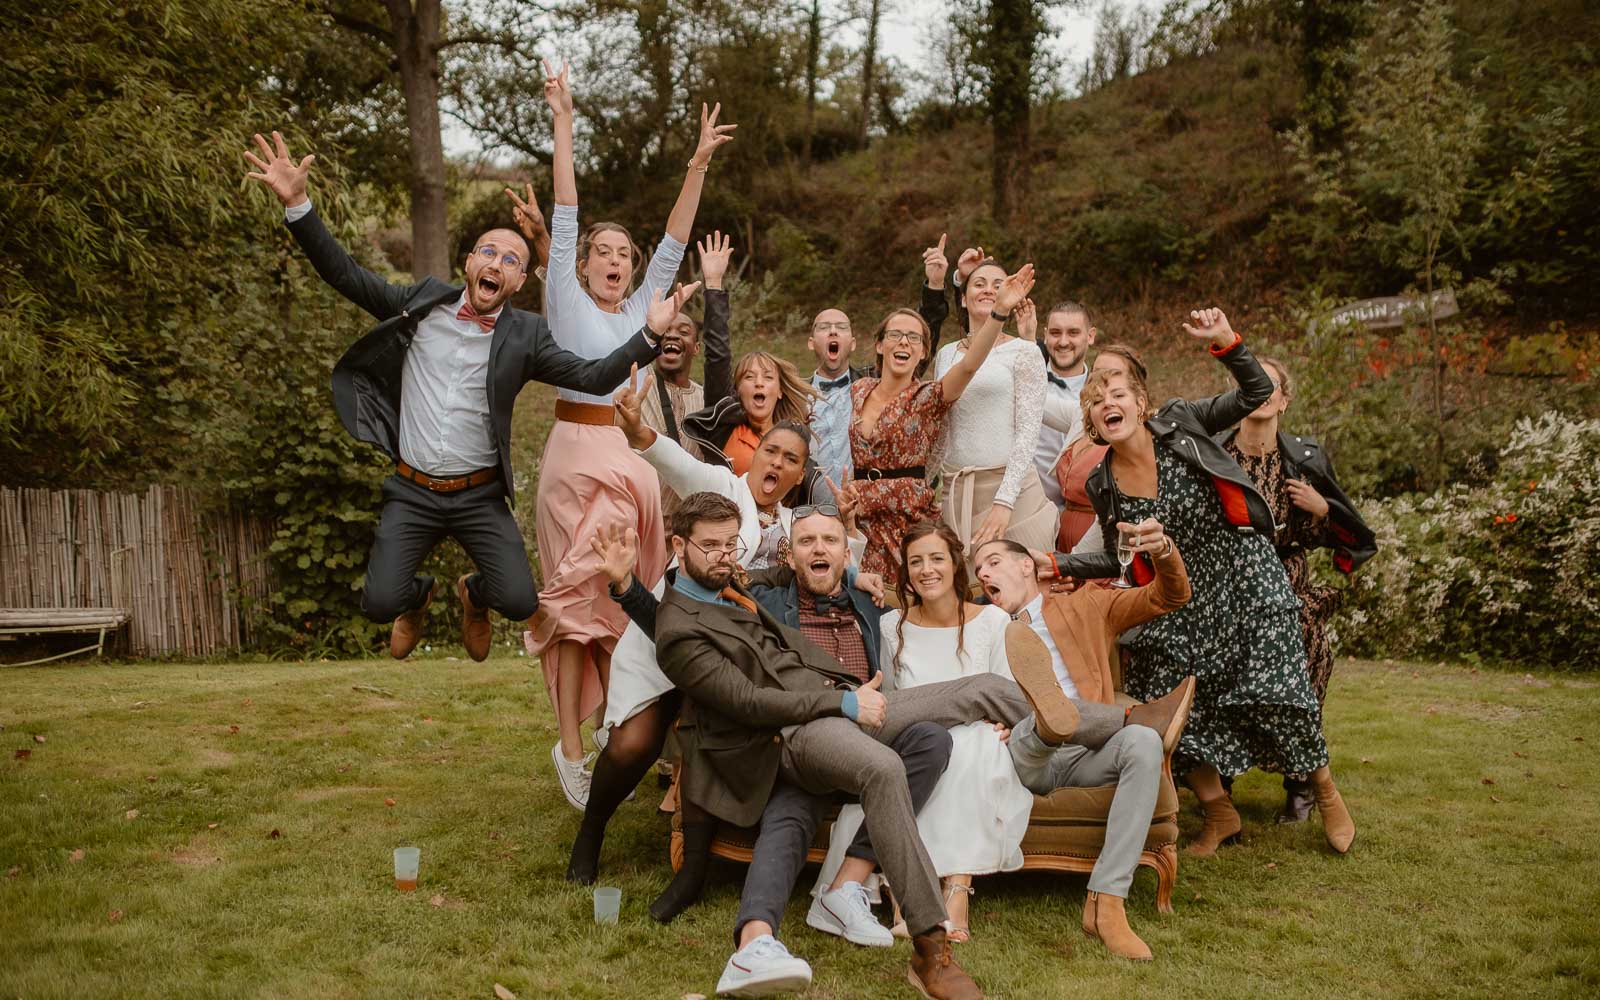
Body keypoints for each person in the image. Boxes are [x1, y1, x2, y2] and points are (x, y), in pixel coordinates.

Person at [653, 494, 1195, 998]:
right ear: (679, 548)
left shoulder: (736, 585)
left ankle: (1125, 717)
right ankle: (931, 952)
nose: (725, 556)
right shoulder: (679, 628)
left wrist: (848, 585)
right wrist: (840, 704)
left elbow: (793, 568)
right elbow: (747, 702)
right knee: (882, 768)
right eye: (711, 546)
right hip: (794, 731)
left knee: (979, 693)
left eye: (731, 544)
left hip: (842, 707)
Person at [240, 130, 673, 660]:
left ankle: (475, 594)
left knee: (517, 599)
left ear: (518, 283)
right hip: (412, 490)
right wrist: (298, 205)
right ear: (469, 263)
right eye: (488, 252)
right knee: (379, 603)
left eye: (511, 259)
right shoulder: (419, 305)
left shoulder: (527, 335)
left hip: (478, 495)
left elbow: (597, 375)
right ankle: (416, 598)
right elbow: (344, 275)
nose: (497, 262)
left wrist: (649, 336)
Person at [1047, 308, 1357, 858]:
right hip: (1182, 596)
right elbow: (1121, 561)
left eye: (1117, 392)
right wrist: (1061, 565)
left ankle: (1326, 791)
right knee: (1166, 701)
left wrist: (1227, 343)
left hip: (1243, 574)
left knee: (1279, 689)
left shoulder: (1182, 424)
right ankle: (1219, 815)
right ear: (1092, 422)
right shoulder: (1103, 483)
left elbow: (1254, 389)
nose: (1107, 403)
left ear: (1140, 403)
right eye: (1096, 400)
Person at [518, 61, 732, 807]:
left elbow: (675, 240)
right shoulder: (565, 302)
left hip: (631, 459)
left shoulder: (645, 308)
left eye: (623, 255)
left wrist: (697, 164)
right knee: (574, 606)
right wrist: (564, 120)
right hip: (575, 459)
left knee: (622, 607)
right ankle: (572, 751)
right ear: (582, 264)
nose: (615, 260)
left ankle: (622, 728)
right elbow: (567, 204)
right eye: (602, 253)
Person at [974, 530, 1194, 961]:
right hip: (1021, 755)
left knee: (1144, 743)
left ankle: (1107, 902)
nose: (983, 573)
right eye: (978, 570)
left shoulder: (1086, 603)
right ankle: (1050, 719)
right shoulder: (978, 622)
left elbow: (1169, 596)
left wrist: (1164, 548)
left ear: (1027, 567)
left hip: (1090, 752)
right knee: (1032, 728)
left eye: (994, 561)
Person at [810, 522, 1028, 944]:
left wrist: (1003, 724)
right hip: (917, 738)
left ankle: (957, 887)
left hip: (977, 737)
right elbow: (889, 700)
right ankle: (903, 890)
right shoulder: (892, 628)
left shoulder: (993, 622)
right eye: (915, 562)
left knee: (973, 745)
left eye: (936, 559)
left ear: (955, 564)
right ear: (905, 573)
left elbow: (1007, 693)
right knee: (928, 749)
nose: (927, 570)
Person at [1217, 355, 1377, 822]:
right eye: (1250, 385)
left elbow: (1352, 533)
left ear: (1283, 400)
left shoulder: (1305, 458)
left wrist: (1321, 509)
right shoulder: (1214, 453)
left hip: (1287, 578)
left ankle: (1301, 778)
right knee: (1223, 661)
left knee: (1305, 651)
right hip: (1230, 580)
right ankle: (1220, 772)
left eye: (1270, 387)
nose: (1260, 393)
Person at [849, 261, 1037, 588]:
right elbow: (940, 444)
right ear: (879, 344)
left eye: (913, 337)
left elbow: (968, 366)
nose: (903, 342)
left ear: (924, 352)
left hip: (908, 514)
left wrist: (999, 313)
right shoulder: (858, 390)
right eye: (895, 335)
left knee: (913, 598)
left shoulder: (927, 396)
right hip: (861, 515)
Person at [932, 258, 1057, 554]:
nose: (988, 290)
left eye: (997, 285)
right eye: (979, 284)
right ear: (963, 299)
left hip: (1010, 490)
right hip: (958, 490)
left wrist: (1005, 502)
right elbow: (940, 427)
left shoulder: (1024, 352)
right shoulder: (946, 354)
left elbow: (1028, 432)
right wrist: (925, 486)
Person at [682, 350, 826, 502]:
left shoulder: (794, 441)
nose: (759, 382)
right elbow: (717, 357)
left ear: (780, 392)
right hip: (727, 521)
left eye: (768, 377)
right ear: (738, 390)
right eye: (749, 377)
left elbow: (816, 486)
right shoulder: (722, 429)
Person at [1054, 344, 1142, 552]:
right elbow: (1035, 399)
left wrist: (1071, 563)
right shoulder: (1083, 417)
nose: (1102, 382)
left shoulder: (1132, 436)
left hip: (1102, 551)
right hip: (1065, 540)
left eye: (1114, 374)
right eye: (1097, 373)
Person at [1029, 301, 1098, 511]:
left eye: (1073, 333)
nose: (1063, 341)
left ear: (1090, 336)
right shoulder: (1026, 381)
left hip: (1083, 514)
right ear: (1045, 334)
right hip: (1029, 511)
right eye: (1056, 333)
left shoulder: (1104, 395)